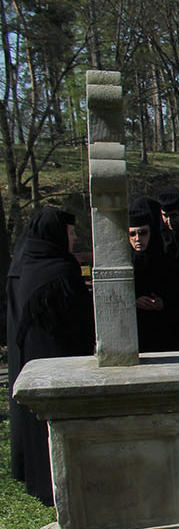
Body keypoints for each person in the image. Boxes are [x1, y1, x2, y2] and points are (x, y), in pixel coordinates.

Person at [6, 207, 93, 505]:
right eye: (70, 233)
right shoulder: (60, 269)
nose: (74, 238)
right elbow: (74, 319)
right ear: (56, 236)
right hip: (58, 357)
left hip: (27, 357)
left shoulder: (22, 264)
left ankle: (35, 476)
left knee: (34, 420)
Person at [129, 202, 179, 352]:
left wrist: (163, 302)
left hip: (164, 331)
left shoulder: (164, 259)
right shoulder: (124, 263)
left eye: (142, 233)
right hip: (134, 331)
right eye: (132, 234)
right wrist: (133, 301)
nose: (137, 239)